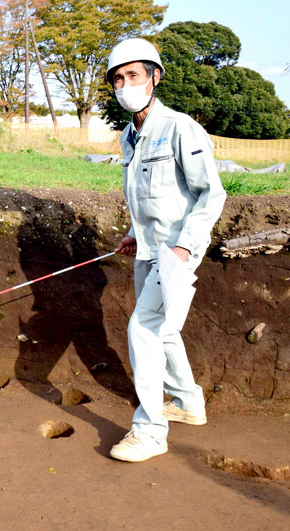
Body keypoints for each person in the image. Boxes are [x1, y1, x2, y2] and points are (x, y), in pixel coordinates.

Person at [106, 38, 227, 462]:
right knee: (163, 329)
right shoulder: (128, 135)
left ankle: (150, 431)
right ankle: (189, 402)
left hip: (177, 252)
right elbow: (148, 196)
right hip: (149, 249)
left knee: (143, 329)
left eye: (133, 76)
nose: (125, 85)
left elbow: (210, 195)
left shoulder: (180, 128)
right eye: (118, 79)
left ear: (155, 77)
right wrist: (133, 232)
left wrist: (182, 246)